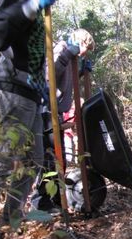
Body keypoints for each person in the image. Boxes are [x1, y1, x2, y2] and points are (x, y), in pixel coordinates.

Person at [0, 0, 57, 229]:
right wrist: (32, 4)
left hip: (31, 91)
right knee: (6, 154)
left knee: (34, 159)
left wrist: (42, 83)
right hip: (13, 85)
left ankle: (12, 218)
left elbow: (32, 51)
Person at [33, 29, 95, 212]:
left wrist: (81, 72)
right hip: (46, 111)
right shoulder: (61, 49)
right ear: (80, 42)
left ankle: (53, 199)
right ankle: (41, 203)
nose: (86, 52)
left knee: (59, 161)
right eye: (86, 47)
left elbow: (64, 81)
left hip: (56, 112)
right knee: (51, 159)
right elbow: (48, 74)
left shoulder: (70, 58)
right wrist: (67, 55)